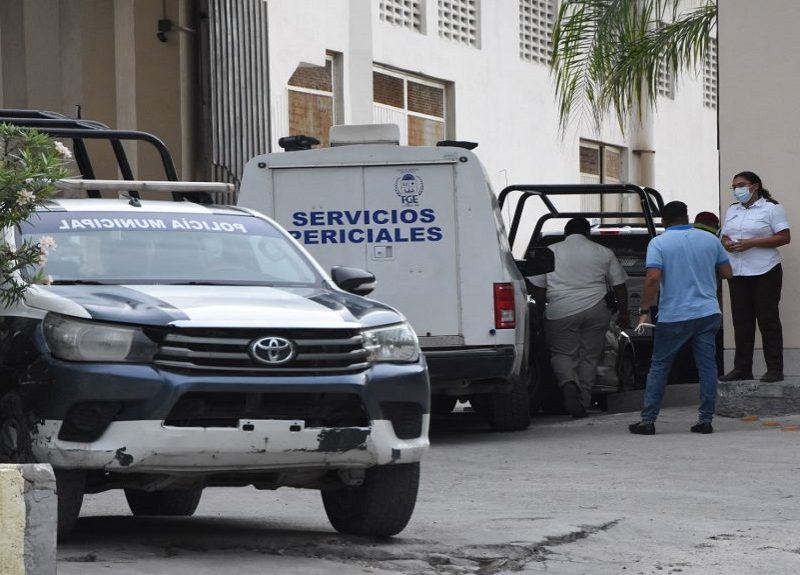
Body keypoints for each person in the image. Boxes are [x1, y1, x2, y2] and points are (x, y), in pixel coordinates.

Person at [629, 201, 732, 435]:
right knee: (707, 365)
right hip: (708, 313)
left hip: (675, 315)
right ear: (687, 218)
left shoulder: (658, 243)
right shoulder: (710, 240)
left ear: (663, 221)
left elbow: (653, 278)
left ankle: (648, 420)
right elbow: (727, 272)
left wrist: (645, 309)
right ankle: (705, 420)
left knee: (660, 365)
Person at [530, 218, 628, 418]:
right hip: (596, 308)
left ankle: (568, 383)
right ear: (587, 233)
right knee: (589, 356)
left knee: (562, 353)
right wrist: (624, 312)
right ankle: (583, 401)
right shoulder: (602, 251)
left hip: (561, 310)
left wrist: (541, 312)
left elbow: (537, 288)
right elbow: (619, 285)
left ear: (566, 233)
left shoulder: (549, 251)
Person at [719, 171, 791, 383]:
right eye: (734, 187)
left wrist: (751, 243)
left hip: (765, 271)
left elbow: (784, 237)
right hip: (738, 271)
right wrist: (727, 244)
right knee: (741, 321)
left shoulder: (771, 208)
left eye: (741, 185)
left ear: (755, 185)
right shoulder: (733, 210)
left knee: (768, 320)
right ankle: (742, 369)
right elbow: (724, 235)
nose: (737, 190)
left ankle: (775, 369)